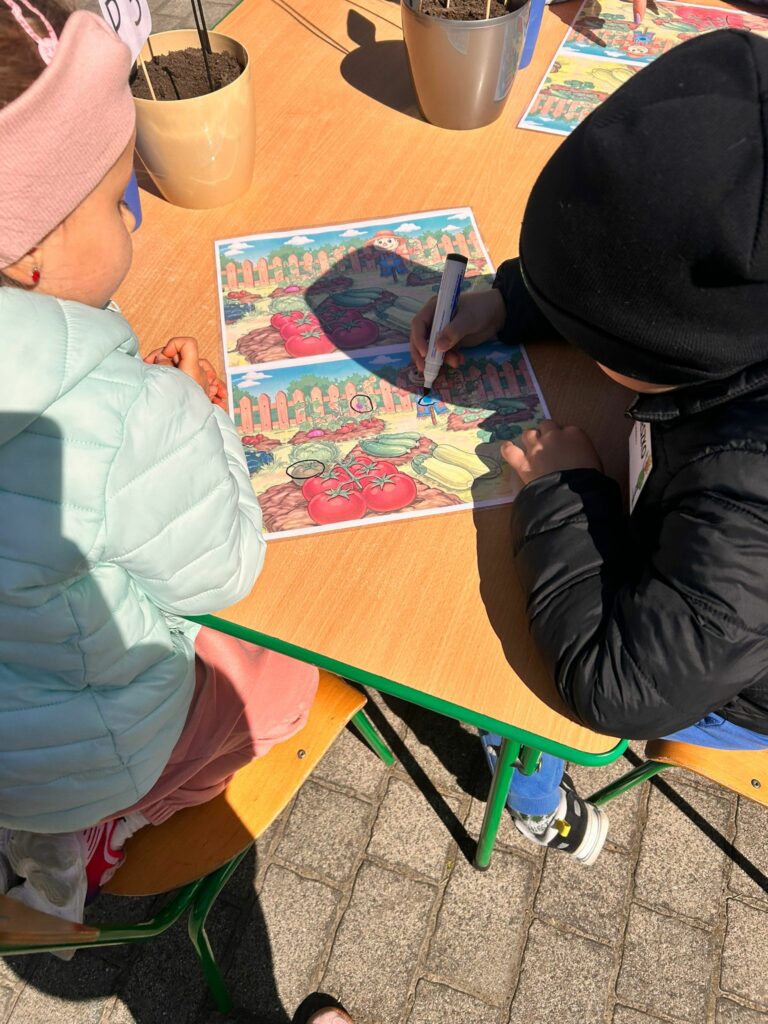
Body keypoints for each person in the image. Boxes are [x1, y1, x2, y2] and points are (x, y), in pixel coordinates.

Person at [411, 29, 768, 865]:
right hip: (705, 591)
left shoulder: (751, 491)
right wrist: (508, 303)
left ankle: (539, 804)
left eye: (591, 329)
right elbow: (647, 270)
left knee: (504, 673)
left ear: (672, 349)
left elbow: (619, 684)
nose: (579, 332)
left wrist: (566, 491)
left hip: (728, 690)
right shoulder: (734, 307)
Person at [0, 0, 318, 920]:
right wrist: (198, 414)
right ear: (29, 255)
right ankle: (113, 824)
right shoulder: (125, 418)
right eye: (115, 203)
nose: (131, 223)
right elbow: (226, 569)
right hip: (85, 755)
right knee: (285, 687)